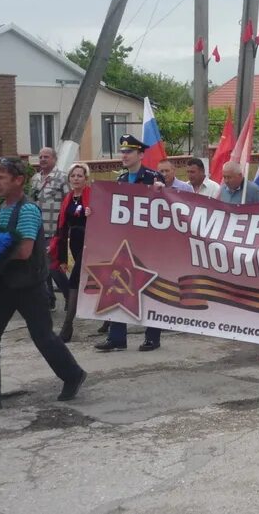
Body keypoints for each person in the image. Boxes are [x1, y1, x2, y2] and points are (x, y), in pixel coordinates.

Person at [0, 157, 87, 413]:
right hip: (5, 285)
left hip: (28, 286)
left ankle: (73, 374)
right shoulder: (1, 210)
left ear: (18, 180)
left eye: (2, 178)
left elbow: (23, 250)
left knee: (42, 336)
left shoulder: (28, 210)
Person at [96, 134, 166, 353]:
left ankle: (152, 337)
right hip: (125, 244)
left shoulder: (154, 178)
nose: (124, 155)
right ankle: (117, 337)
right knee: (118, 286)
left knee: (151, 289)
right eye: (123, 151)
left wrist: (161, 193)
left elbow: (166, 210)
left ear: (141, 155)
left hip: (150, 245)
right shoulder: (122, 180)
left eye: (129, 152)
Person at [52, 162, 92, 343]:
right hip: (75, 243)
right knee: (91, 282)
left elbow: (105, 219)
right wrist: (60, 255)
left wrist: (93, 214)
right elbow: (61, 227)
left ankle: (67, 327)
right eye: (73, 176)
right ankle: (109, 322)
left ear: (86, 179)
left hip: (91, 244)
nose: (76, 179)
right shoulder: (68, 199)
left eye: (80, 176)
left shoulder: (92, 196)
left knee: (74, 281)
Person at [29, 147, 70, 310]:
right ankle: (49, 299)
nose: (42, 159)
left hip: (54, 229)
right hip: (37, 229)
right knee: (41, 266)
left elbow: (68, 201)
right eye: (40, 157)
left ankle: (69, 296)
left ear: (54, 159)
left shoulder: (62, 178)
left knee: (53, 267)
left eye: (46, 157)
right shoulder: (35, 178)